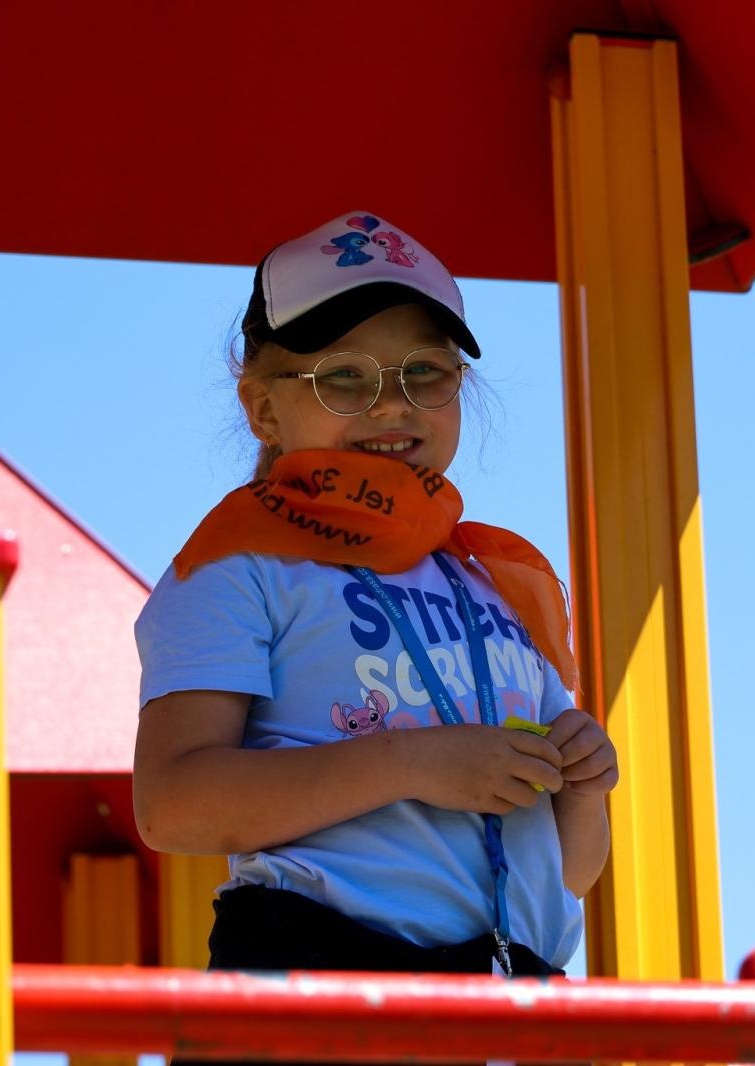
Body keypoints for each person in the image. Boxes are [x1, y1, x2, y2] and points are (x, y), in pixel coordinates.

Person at [132, 210, 619, 1014]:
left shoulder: (499, 581)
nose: (393, 407)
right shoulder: (236, 566)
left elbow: (568, 875)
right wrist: (416, 766)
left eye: (425, 373)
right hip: (317, 987)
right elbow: (171, 805)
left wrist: (584, 789)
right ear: (263, 410)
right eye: (344, 379)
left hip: (518, 1001)